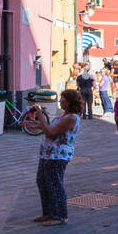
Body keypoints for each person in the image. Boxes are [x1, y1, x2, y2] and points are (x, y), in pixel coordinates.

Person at [25, 88, 82, 225]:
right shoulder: (63, 115)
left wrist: (41, 115)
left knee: (54, 184)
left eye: (63, 98)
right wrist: (38, 125)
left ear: (69, 102)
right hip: (48, 154)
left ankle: (59, 216)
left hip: (58, 156)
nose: (60, 100)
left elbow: (51, 133)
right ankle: (48, 212)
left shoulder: (72, 118)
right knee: (42, 181)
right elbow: (49, 128)